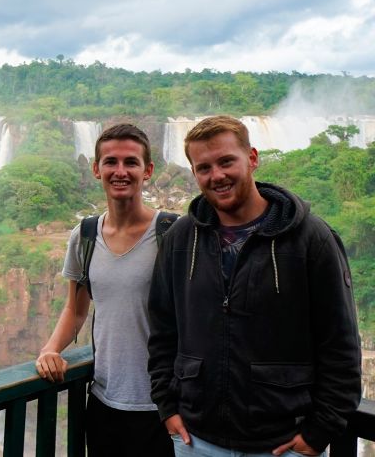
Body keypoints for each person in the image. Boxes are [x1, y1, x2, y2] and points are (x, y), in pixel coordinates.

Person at [147, 115, 361, 456]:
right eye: (204, 167)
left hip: (283, 443)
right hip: (196, 439)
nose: (217, 175)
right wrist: (167, 407)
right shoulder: (180, 239)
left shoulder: (310, 239)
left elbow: (340, 342)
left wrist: (320, 431)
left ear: (253, 158)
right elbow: (162, 329)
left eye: (226, 161)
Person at [36, 123, 175, 456]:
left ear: (148, 171)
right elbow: (76, 309)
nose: (120, 171)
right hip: (102, 403)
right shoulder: (83, 236)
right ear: (96, 169)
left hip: (164, 408)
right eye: (111, 162)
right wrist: (50, 349)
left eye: (131, 162)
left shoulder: (173, 234)